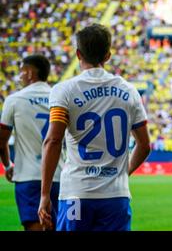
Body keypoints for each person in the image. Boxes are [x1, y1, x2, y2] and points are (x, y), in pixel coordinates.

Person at [38, 24, 151, 231]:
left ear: (78, 54)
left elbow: (53, 140)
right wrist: (123, 173)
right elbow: (144, 145)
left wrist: (45, 194)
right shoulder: (129, 91)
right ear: (108, 55)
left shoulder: (64, 90)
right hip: (116, 196)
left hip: (77, 193)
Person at [0, 54, 64, 231]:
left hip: (28, 176)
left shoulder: (14, 100)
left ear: (29, 73)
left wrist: (7, 165)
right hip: (58, 176)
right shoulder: (60, 98)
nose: (19, 76)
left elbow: (1, 141)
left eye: (21, 72)